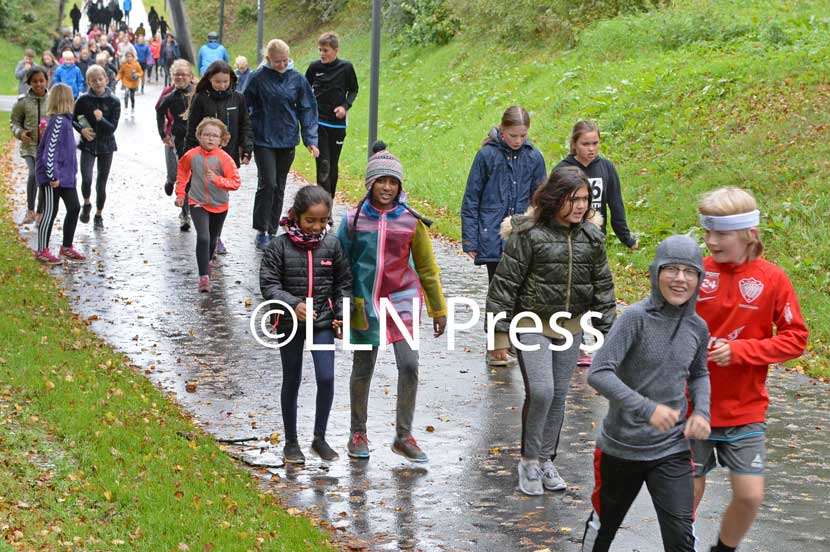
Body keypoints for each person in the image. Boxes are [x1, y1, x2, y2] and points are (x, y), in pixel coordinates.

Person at [485, 165, 616, 495]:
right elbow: (504, 286)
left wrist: (608, 340)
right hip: (530, 323)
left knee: (558, 396)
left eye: (585, 199)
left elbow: (603, 288)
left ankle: (545, 460)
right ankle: (528, 460)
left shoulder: (591, 237)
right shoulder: (528, 235)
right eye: (573, 200)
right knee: (541, 391)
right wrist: (499, 336)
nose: (580, 207)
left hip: (569, 327)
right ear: (556, 199)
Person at [691, 187, 809, 552]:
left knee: (750, 496)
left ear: (749, 234)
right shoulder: (694, 272)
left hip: (745, 409)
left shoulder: (773, 279)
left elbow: (795, 339)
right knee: (682, 496)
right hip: (693, 405)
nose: (711, 241)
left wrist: (742, 350)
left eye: (721, 233)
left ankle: (723, 549)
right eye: (707, 232)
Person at [581, 234, 711, 551]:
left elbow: (699, 373)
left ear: (699, 278)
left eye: (689, 271)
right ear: (656, 273)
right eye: (672, 269)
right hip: (622, 447)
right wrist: (647, 409)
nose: (680, 279)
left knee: (681, 536)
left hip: (672, 449)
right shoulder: (635, 319)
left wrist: (702, 411)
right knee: (604, 530)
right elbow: (598, 373)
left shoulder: (697, 327)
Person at [336, 142, 447, 463]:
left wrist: (438, 309)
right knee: (363, 367)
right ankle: (358, 432)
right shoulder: (353, 220)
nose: (387, 187)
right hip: (363, 302)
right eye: (381, 180)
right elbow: (339, 264)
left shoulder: (410, 222)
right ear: (370, 183)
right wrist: (338, 307)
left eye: (393, 182)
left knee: (409, 365)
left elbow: (426, 267)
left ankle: (403, 435)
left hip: (402, 302)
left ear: (400, 186)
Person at [259, 185, 352, 464]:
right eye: (310, 220)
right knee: (292, 379)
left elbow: (344, 283)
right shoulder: (278, 246)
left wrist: (342, 314)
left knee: (326, 377)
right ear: (296, 216)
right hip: (289, 324)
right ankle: (291, 442)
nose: (316, 226)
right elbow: (269, 285)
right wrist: (292, 303)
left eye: (322, 220)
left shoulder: (333, 245)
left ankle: (319, 438)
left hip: (322, 322)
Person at [461, 105, 547, 366]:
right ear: (502, 130)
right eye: (513, 135)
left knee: (523, 290)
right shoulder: (486, 155)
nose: (518, 141)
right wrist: (470, 239)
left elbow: (541, 199)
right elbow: (471, 198)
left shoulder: (534, 158)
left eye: (523, 136)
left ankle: (516, 338)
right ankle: (496, 343)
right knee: (498, 291)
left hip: (523, 236)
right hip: (492, 235)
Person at [245, 38, 319, 250]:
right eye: (278, 61)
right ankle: (261, 229)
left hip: (287, 138)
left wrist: (310, 139)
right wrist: (245, 140)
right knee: (268, 182)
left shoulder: (296, 78)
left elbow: (307, 108)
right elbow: (244, 106)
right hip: (264, 138)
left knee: (279, 184)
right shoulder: (257, 78)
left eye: (285, 61)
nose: (282, 65)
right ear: (268, 59)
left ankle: (272, 229)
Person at [185, 60, 253, 253]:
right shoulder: (200, 99)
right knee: (205, 193)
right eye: (217, 82)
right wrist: (187, 156)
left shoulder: (238, 99)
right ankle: (207, 233)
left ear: (231, 80)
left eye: (225, 82)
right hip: (203, 156)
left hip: (227, 156)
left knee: (220, 196)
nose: (222, 85)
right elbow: (192, 130)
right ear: (210, 80)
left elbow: (245, 125)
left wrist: (247, 148)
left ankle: (216, 235)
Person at [175, 118, 241, 292]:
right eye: (206, 135)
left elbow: (235, 183)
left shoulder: (224, 159)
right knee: (203, 237)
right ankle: (203, 277)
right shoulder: (191, 155)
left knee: (212, 239)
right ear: (199, 136)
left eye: (214, 136)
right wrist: (181, 194)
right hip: (197, 202)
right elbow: (182, 172)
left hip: (220, 205)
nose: (210, 139)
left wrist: (217, 180)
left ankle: (208, 260)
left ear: (222, 140)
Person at [556, 120, 638, 250]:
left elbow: (616, 205)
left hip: (596, 238)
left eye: (595, 143)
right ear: (574, 144)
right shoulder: (562, 169)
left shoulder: (607, 168)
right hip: (568, 239)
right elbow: (553, 206)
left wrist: (626, 238)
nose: (591, 149)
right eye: (585, 144)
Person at [33, 84, 85, 264]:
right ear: (65, 100)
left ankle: (66, 247)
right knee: (50, 212)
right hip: (53, 177)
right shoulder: (58, 122)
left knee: (74, 207)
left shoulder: (67, 121)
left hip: (66, 177)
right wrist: (52, 176)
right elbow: (50, 152)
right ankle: (41, 250)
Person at [304, 31, 359, 198]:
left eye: (325, 50)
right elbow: (304, 90)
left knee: (333, 166)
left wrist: (345, 106)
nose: (322, 54)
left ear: (336, 50)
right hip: (319, 123)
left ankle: (328, 205)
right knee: (323, 164)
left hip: (337, 124)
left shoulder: (346, 67)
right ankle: (323, 206)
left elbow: (354, 90)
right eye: (320, 50)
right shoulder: (314, 67)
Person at [74, 64, 121, 229]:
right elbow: (74, 117)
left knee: (101, 182)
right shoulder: (83, 99)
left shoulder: (114, 101)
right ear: (89, 82)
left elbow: (113, 128)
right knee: (86, 178)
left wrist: (101, 119)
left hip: (107, 145)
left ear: (106, 79)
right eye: (93, 80)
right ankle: (86, 204)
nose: (98, 83)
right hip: (88, 143)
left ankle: (99, 214)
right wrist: (82, 129)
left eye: (100, 79)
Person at [156, 59, 194, 228]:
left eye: (183, 74)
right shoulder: (168, 95)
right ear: (172, 76)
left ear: (190, 76)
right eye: (176, 74)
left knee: (190, 175)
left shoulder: (198, 92)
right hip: (175, 137)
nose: (180, 77)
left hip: (196, 138)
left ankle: (187, 212)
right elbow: (159, 111)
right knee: (177, 174)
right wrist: (163, 134)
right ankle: (170, 183)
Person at [10, 67, 49, 225]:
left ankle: (40, 212)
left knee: (44, 179)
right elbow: (14, 122)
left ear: (46, 81)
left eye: (41, 80)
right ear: (28, 83)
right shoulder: (23, 102)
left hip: (47, 147)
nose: (38, 84)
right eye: (35, 81)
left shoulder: (52, 99)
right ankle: (30, 210)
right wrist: (20, 133)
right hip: (29, 146)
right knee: (33, 174)